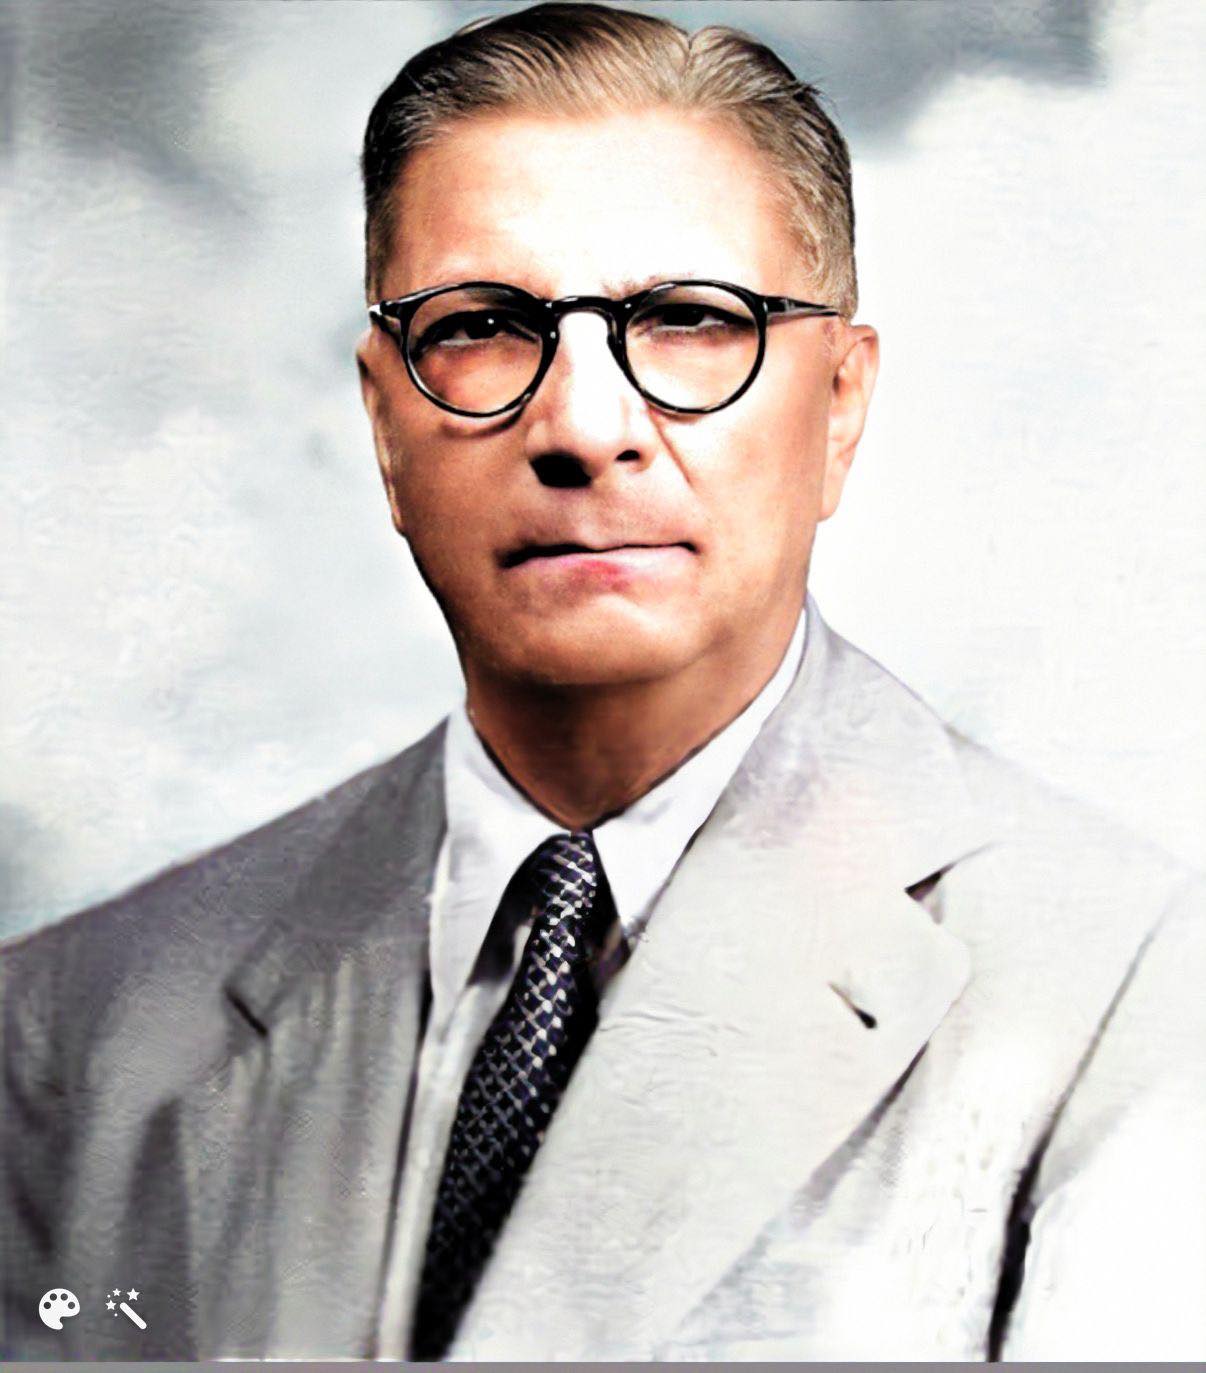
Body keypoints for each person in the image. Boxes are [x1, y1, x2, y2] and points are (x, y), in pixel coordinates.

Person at [1, 2, 1202, 1362]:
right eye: (483, 325)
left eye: (690, 319)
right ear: (384, 422)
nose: (579, 424)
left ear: (839, 406)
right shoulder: (69, 1023)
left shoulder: (1139, 992)